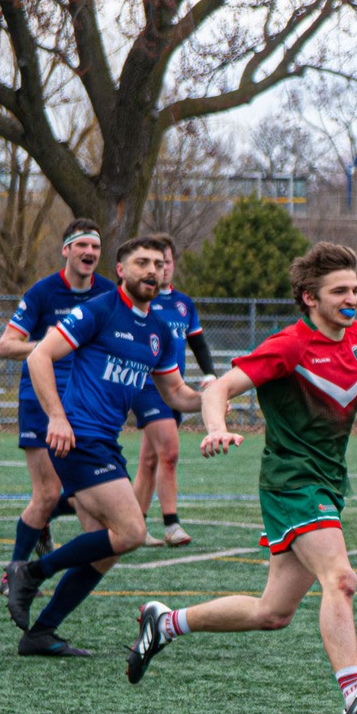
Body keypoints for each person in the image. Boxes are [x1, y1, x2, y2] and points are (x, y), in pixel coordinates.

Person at [124, 243, 357, 714]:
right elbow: (218, 388)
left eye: (356, 290)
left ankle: (165, 622)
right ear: (309, 298)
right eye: (340, 291)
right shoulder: (290, 346)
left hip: (328, 482)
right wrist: (215, 427)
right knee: (340, 578)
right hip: (291, 483)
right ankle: (354, 696)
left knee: (271, 612)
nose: (353, 300)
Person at [0, 237, 202, 657]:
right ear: (121, 270)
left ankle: (41, 632)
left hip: (104, 442)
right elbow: (39, 357)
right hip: (76, 436)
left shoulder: (159, 330)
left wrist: (220, 393)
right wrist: (56, 417)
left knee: (107, 549)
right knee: (131, 531)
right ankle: (31, 571)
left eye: (158, 264)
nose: (152, 270)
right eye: (141, 262)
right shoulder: (101, 308)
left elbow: (178, 394)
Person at [0, 219, 115, 572]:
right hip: (40, 398)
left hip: (87, 403)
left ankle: (55, 540)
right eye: (82, 246)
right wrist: (52, 344)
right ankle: (14, 572)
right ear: (66, 250)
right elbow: (5, 346)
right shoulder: (43, 292)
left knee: (87, 492)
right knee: (47, 493)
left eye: (95, 247)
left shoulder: (110, 294)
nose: (89, 252)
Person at [129, 232, 216, 547]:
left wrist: (210, 375)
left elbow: (198, 343)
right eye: (152, 263)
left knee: (149, 460)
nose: (160, 269)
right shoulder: (141, 302)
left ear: (173, 264)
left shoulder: (183, 304)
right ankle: (171, 524)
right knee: (170, 451)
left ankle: (133, 528)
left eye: (164, 262)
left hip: (174, 387)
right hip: (147, 387)